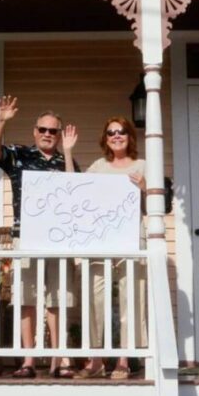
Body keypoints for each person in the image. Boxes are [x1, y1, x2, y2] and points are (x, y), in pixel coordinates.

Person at [0, 95, 79, 379]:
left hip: (59, 240)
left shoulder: (67, 160)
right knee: (27, 298)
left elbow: (75, 191)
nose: (48, 135)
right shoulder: (20, 155)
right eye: (43, 129)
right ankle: (28, 359)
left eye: (53, 130)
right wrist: (1, 121)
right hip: (25, 236)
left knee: (57, 299)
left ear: (59, 134)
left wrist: (69, 152)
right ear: (34, 132)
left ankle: (57, 358)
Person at [65, 116, 148, 380]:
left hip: (132, 239)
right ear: (105, 137)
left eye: (121, 131)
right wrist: (67, 151)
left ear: (130, 136)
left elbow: (156, 205)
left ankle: (124, 359)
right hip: (100, 240)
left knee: (130, 297)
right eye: (111, 132)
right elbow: (75, 190)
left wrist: (145, 188)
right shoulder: (99, 166)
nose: (116, 136)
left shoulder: (143, 166)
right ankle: (96, 360)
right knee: (93, 297)